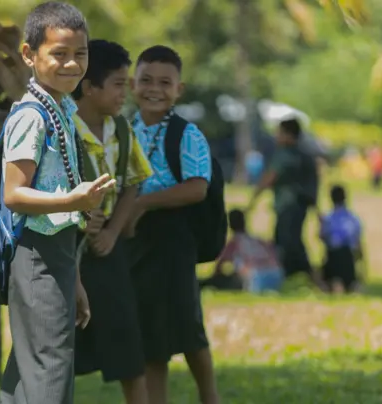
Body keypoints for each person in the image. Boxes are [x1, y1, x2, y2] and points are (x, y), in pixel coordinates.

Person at [0, 3, 117, 403]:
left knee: (32, 368)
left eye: (79, 54)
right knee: (50, 367)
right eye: (58, 54)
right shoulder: (32, 116)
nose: (71, 64)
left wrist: (75, 280)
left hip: (59, 254)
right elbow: (14, 194)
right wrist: (74, 199)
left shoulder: (61, 108)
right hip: (36, 256)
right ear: (30, 55)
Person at [123, 45, 220, 404]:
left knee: (187, 327)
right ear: (132, 83)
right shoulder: (124, 130)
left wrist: (143, 203)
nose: (154, 89)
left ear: (179, 89)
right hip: (135, 242)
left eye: (165, 82)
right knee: (149, 335)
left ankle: (210, 396)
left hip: (174, 241)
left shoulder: (187, 134)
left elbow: (197, 188)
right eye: (146, 80)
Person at [70, 39, 153, 404]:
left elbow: (135, 181)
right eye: (119, 83)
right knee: (58, 354)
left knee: (129, 352)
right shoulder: (61, 130)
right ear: (89, 87)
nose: (127, 92)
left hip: (108, 254)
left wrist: (113, 232)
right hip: (66, 255)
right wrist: (76, 220)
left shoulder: (121, 130)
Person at [247, 119, 321, 287]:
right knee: (290, 240)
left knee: (287, 242)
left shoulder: (285, 154)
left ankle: (309, 278)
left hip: (287, 206)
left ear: (288, 134)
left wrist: (253, 201)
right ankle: (294, 277)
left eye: (279, 133)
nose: (276, 136)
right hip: (301, 206)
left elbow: (269, 177)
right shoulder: (306, 155)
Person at [199, 209, 283, 293]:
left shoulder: (234, 243)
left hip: (255, 278)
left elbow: (219, 265)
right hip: (276, 275)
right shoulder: (258, 240)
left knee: (235, 268)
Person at [319, 185, 364, 293]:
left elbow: (323, 236)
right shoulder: (352, 218)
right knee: (351, 286)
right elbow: (357, 241)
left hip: (332, 255)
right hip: (347, 255)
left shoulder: (328, 218)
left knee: (330, 285)